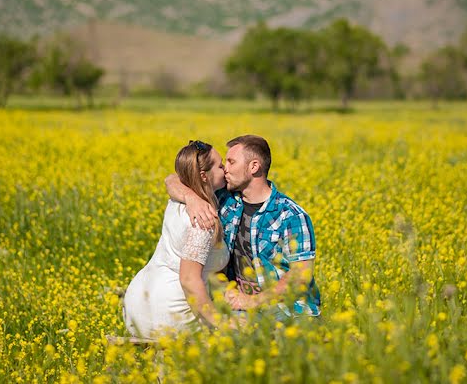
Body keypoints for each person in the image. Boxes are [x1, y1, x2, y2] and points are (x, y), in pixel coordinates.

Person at [166, 135, 321, 318]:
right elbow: (172, 179)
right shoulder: (225, 201)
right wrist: (190, 198)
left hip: (286, 309)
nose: (225, 169)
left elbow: (301, 275)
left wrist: (254, 301)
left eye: (231, 162)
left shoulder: (290, 215)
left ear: (254, 167)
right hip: (237, 306)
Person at [123, 140, 230, 338]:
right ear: (204, 176)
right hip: (170, 315)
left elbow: (172, 179)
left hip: (136, 309)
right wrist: (222, 325)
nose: (225, 169)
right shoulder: (202, 218)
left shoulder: (178, 200)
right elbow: (189, 280)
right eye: (220, 165)